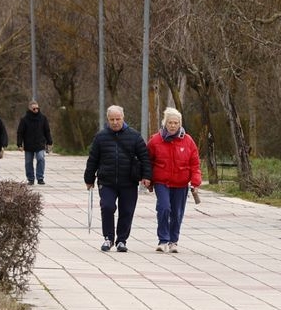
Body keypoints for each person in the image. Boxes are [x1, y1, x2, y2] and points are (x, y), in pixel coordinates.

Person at [84, 105, 152, 253]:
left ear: (123, 118)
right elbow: (93, 159)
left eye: (118, 119)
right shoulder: (101, 137)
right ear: (108, 119)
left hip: (129, 181)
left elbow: (145, 158)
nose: (115, 122)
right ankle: (108, 238)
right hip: (107, 181)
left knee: (127, 211)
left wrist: (147, 176)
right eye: (112, 119)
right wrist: (89, 178)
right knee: (107, 207)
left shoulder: (134, 136)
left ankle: (121, 240)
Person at [146, 107, 202, 254]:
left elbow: (195, 164)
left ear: (180, 124)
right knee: (164, 208)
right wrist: (147, 178)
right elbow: (148, 161)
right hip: (162, 182)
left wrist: (195, 182)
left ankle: (173, 241)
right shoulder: (155, 140)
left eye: (176, 123)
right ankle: (163, 239)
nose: (172, 125)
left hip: (181, 183)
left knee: (177, 213)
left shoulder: (188, 141)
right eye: (170, 122)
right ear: (165, 123)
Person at [16, 100, 53, 185]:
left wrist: (49, 141)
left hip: (40, 143)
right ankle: (31, 179)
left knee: (41, 158)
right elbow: (20, 132)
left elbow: (47, 131)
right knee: (28, 162)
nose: (36, 110)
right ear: (30, 109)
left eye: (37, 108)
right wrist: (19, 144)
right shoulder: (24, 119)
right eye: (34, 108)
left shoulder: (43, 118)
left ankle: (40, 178)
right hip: (28, 144)